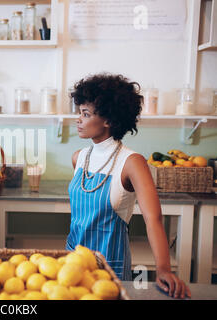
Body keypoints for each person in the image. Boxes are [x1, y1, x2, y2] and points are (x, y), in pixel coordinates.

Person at [67, 73, 191, 299]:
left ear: (109, 120)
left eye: (85, 114)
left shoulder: (132, 162)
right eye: (79, 112)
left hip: (110, 266)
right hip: (72, 263)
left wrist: (163, 269)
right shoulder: (79, 157)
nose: (78, 119)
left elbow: (153, 219)